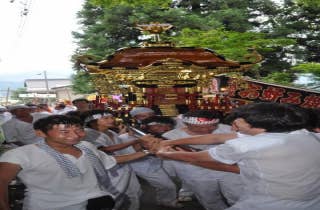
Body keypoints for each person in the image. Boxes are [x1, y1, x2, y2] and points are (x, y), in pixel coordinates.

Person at [156, 102, 320, 210]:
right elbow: (217, 138)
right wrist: (170, 142)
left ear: (258, 126)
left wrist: (169, 154)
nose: (232, 129)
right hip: (312, 199)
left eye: (236, 125)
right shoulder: (304, 134)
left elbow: (205, 160)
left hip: (271, 202)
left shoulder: (247, 145)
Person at [0, 115, 116, 210]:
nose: (75, 135)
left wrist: (134, 154)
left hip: (94, 201)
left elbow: (105, 159)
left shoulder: (85, 147)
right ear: (41, 133)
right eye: (65, 132)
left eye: (78, 130)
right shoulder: (21, 154)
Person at [80, 110, 144, 210]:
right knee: (114, 198)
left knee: (135, 192)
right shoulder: (88, 133)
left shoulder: (110, 132)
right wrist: (136, 141)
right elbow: (103, 150)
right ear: (93, 121)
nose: (111, 120)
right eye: (106, 118)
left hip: (123, 166)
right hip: (109, 171)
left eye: (111, 117)